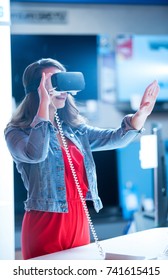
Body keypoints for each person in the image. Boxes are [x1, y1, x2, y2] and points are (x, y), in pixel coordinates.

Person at [4, 58, 159, 260]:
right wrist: (44, 101)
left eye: (63, 80)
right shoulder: (17, 132)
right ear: (37, 87)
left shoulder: (75, 130)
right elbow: (35, 153)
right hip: (45, 222)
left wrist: (142, 113)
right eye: (53, 81)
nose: (62, 88)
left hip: (78, 220)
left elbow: (115, 139)